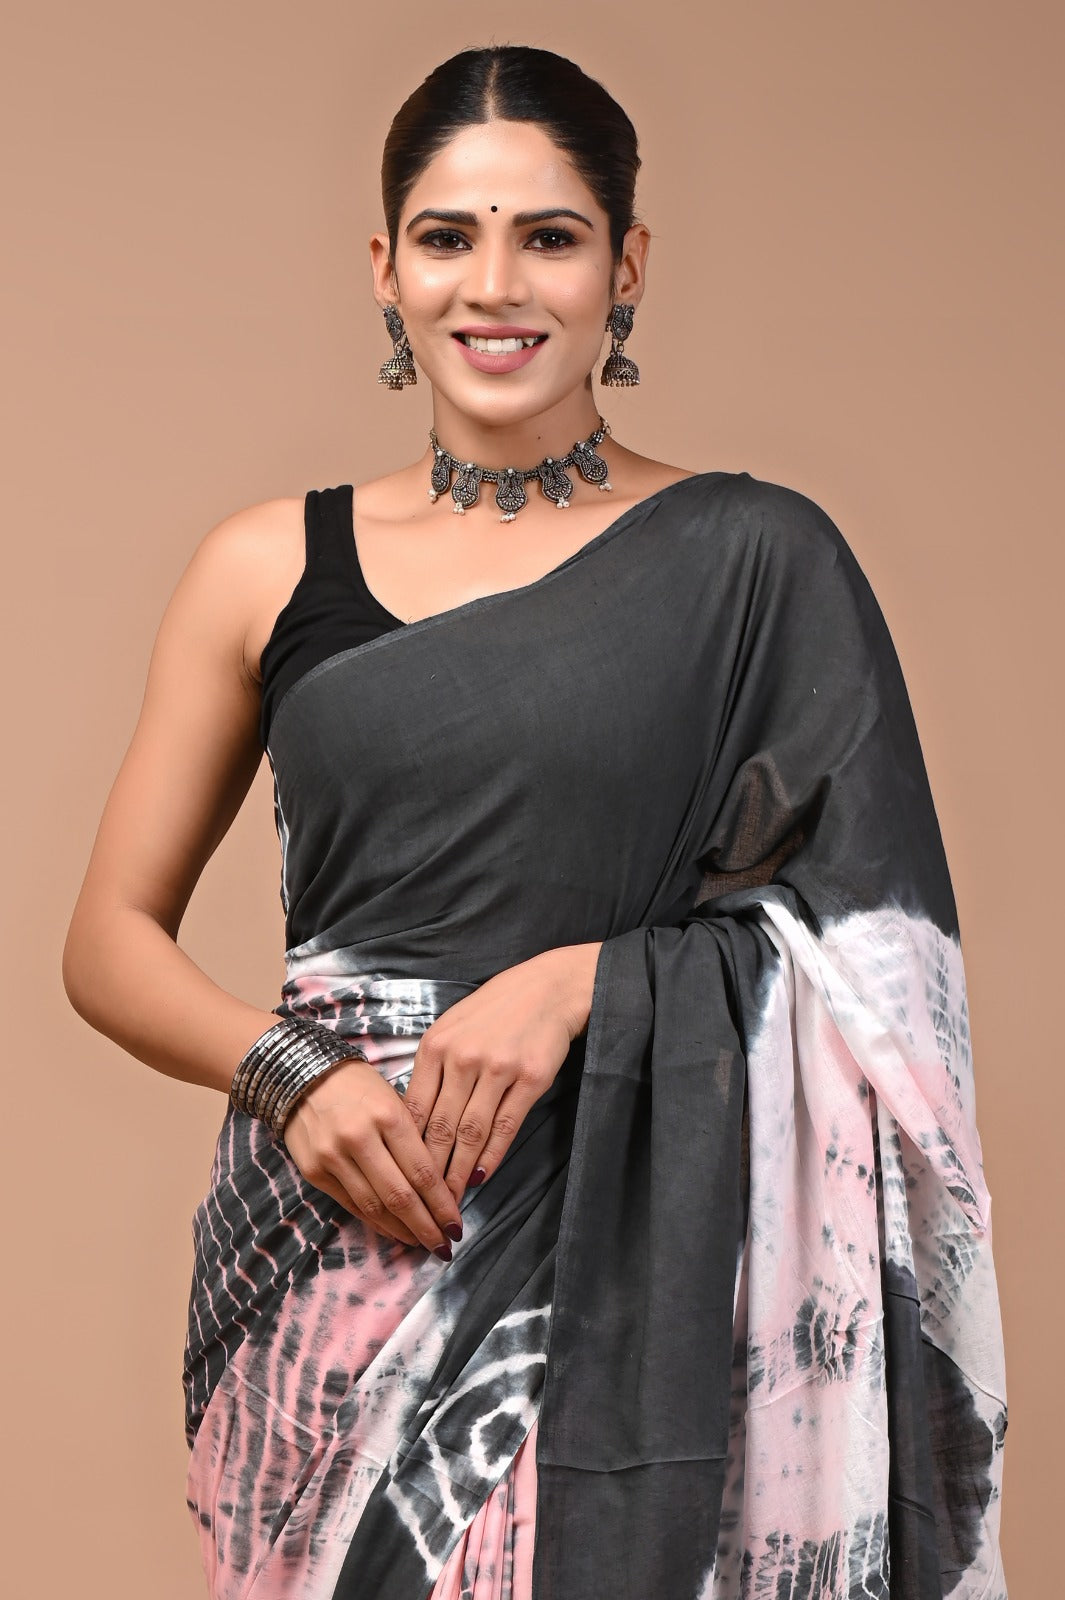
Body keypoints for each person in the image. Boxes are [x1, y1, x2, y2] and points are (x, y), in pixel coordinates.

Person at [62, 42, 1007, 1600]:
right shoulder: (264, 567)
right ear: (384, 266)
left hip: (654, 1246)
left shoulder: (756, 558)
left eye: (548, 237)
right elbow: (107, 942)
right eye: (447, 237)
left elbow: (879, 956)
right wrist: (293, 1079)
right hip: (333, 1249)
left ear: (624, 266)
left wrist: (585, 984)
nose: (493, 287)